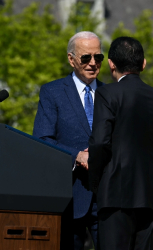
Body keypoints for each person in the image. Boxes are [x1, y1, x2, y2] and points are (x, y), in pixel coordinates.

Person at [88, 37, 153, 250]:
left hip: (116, 194)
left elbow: (100, 142)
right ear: (143, 64)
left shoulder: (107, 94)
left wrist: (95, 182)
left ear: (111, 64)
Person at [33, 31, 105, 249]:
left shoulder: (111, 94)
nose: (93, 63)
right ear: (71, 59)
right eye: (86, 58)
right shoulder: (52, 92)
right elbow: (42, 139)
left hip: (106, 199)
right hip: (69, 197)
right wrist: (77, 156)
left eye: (98, 57)